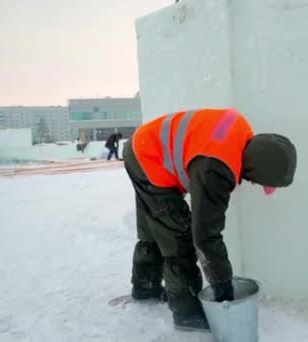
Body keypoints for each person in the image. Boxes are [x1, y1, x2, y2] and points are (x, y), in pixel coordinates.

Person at [122, 108, 296, 331]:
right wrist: (224, 289)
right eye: (261, 181)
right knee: (177, 237)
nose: (255, 184)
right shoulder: (216, 168)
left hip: (143, 145)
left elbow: (204, 141)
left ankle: (145, 287)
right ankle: (186, 313)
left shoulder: (240, 128)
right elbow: (205, 235)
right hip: (147, 158)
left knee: (154, 225)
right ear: (258, 168)